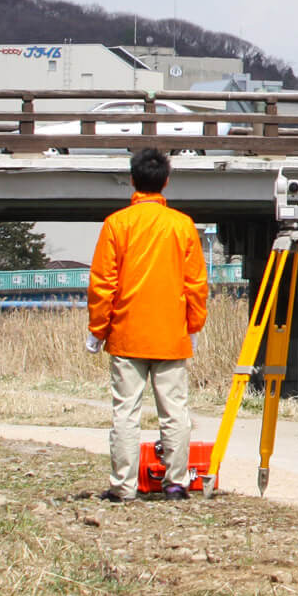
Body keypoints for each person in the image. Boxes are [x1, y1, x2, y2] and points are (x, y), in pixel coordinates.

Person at [87, 146, 209, 502]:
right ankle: (176, 483)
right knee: (175, 412)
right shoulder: (182, 226)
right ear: (166, 182)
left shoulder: (117, 224)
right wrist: (193, 326)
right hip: (171, 335)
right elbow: (196, 284)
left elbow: (103, 283)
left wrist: (98, 330)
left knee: (126, 412)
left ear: (131, 180)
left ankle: (123, 487)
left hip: (126, 334)